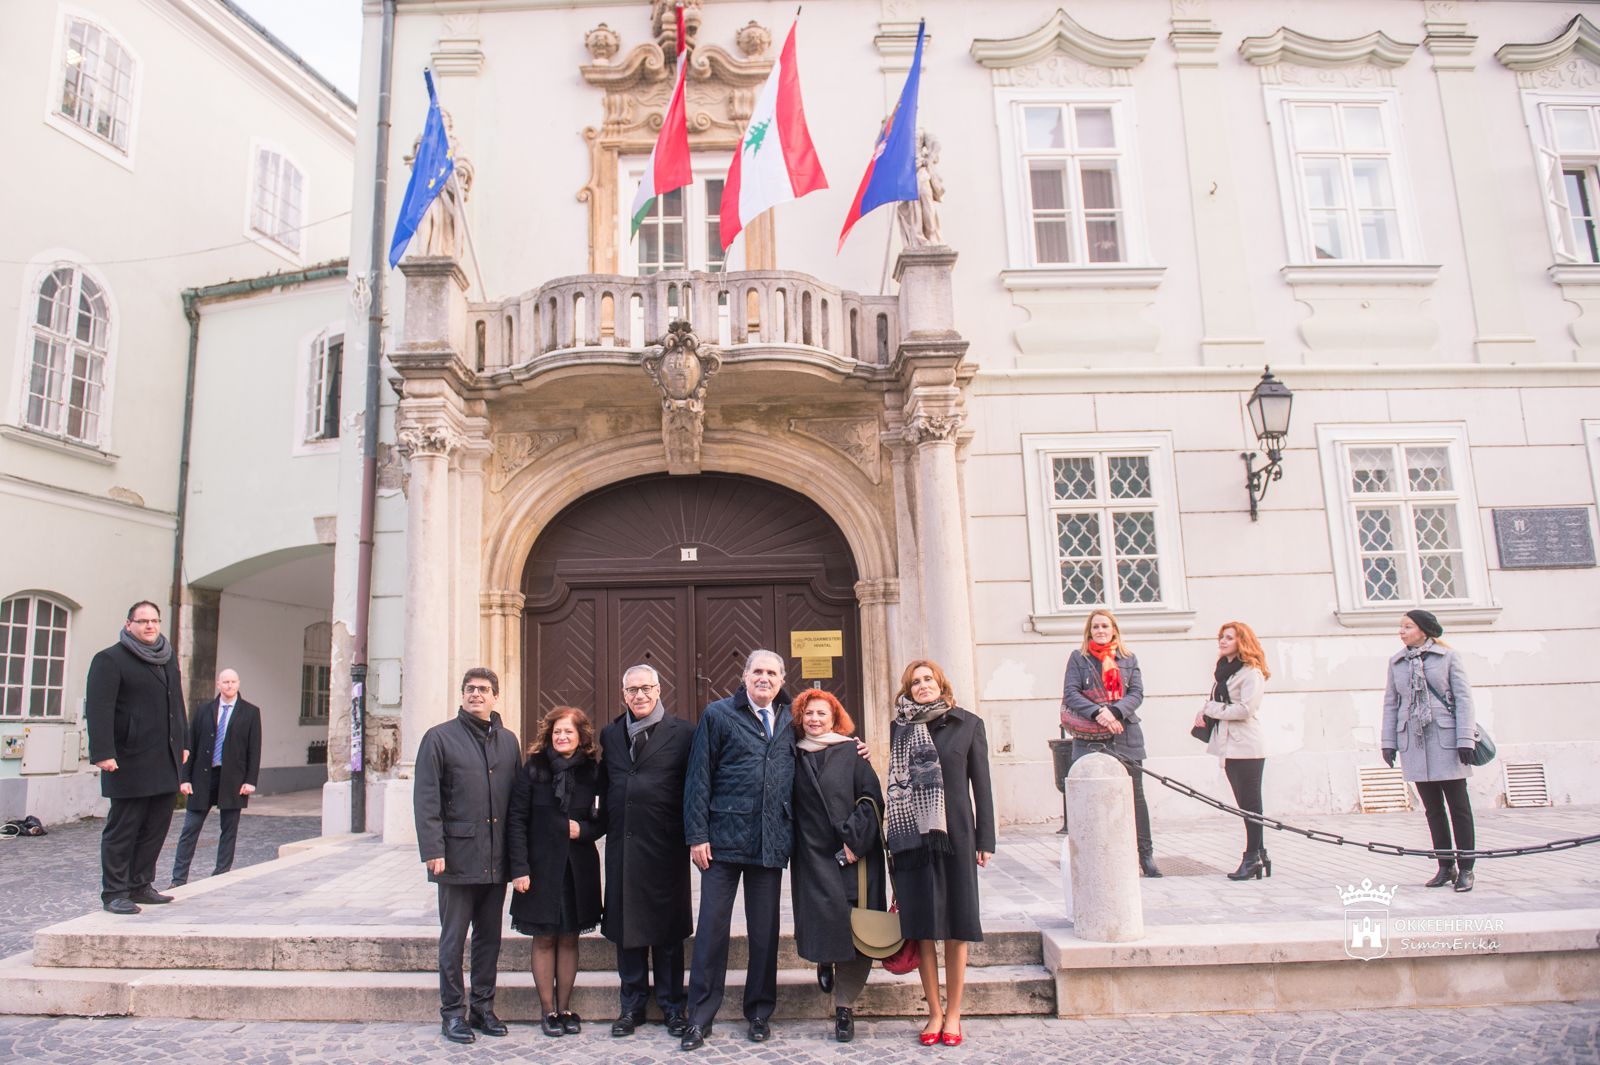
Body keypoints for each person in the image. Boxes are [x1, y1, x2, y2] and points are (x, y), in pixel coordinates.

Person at [679, 649, 795, 1051]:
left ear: (782, 679)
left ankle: (760, 1012)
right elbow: (699, 777)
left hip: (770, 838)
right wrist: (697, 835)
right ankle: (699, 1017)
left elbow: (827, 735)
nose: (764, 678)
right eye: (757, 671)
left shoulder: (793, 719)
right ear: (744, 677)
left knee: (765, 932)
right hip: (722, 840)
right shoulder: (719, 714)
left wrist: (856, 746)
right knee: (712, 930)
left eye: (771, 673)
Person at [888, 659, 994, 1049]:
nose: (922, 686)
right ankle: (933, 1010)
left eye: (927, 679)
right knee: (924, 927)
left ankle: (954, 1013)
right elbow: (894, 784)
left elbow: (981, 786)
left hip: (958, 837)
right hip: (912, 839)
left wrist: (987, 840)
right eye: (915, 682)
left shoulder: (967, 724)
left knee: (956, 924)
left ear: (940, 683)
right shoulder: (900, 728)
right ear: (908, 690)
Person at [413, 667, 522, 1044]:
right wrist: (433, 849)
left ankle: (483, 1007)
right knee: (453, 939)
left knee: (489, 938)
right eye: (470, 689)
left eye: (484, 689)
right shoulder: (439, 738)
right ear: (462, 695)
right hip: (456, 857)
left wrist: (518, 857)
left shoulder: (508, 741)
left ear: (495, 696)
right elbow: (426, 797)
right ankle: (452, 1013)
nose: (476, 694)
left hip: (496, 858)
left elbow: (516, 803)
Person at [597, 664, 693, 1038]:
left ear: (658, 690)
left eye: (646, 688)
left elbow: (697, 784)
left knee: (668, 932)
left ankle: (673, 1006)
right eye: (632, 690)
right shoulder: (610, 734)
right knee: (627, 930)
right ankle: (631, 1005)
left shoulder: (683, 733)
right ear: (623, 694)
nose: (639, 695)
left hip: (665, 845)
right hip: (623, 844)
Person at [787, 688, 885, 1043]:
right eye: (808, 714)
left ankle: (845, 1008)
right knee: (825, 924)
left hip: (853, 854)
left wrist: (855, 842)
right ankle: (823, 959)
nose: (815, 719)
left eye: (822, 714)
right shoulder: (790, 755)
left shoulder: (852, 752)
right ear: (800, 719)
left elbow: (871, 799)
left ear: (834, 719)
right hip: (811, 854)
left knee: (856, 932)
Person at [85, 601, 188, 915]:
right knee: (124, 827)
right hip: (128, 759)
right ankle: (114, 892)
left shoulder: (167, 659)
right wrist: (103, 752)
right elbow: (98, 708)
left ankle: (141, 884)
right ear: (129, 624)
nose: (150, 626)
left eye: (154, 621)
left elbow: (177, 704)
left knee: (156, 825)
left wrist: (182, 742)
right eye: (142, 621)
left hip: (164, 757)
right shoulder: (110, 659)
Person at [509, 705, 604, 1038]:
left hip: (578, 869)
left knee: (569, 938)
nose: (562, 737)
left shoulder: (593, 771)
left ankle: (565, 1008)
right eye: (557, 732)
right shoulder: (533, 769)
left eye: (569, 732)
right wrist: (518, 869)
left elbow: (604, 819)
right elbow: (517, 819)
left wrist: (584, 831)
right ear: (549, 735)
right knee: (545, 938)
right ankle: (547, 1010)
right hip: (539, 868)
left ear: (581, 736)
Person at [1381, 609, 1479, 893]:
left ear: (1423, 630)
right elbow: (1391, 704)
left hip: (1447, 741)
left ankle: (1467, 868)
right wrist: (1388, 742)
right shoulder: (1397, 662)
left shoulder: (1448, 658)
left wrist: (1465, 740)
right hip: (1415, 742)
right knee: (1433, 810)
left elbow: (1464, 700)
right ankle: (1445, 865)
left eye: (1407, 626)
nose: (1401, 632)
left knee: (1459, 808)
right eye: (1400, 627)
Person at [1062, 610, 1160, 878]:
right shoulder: (1079, 658)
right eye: (1095, 626)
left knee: (1135, 795)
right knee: (1090, 796)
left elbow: (1137, 693)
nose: (1100, 630)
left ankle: (1145, 854)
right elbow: (1070, 693)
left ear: (1114, 629)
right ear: (1089, 631)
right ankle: (1095, 855)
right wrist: (1099, 713)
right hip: (1089, 737)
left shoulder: (1128, 659)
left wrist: (1115, 712)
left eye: (1105, 625)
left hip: (1125, 733)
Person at [170, 668, 261, 887]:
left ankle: (221, 874)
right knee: (190, 829)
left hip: (233, 779)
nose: (229, 685)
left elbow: (254, 749)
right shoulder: (204, 710)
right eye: (225, 682)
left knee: (229, 829)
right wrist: (185, 778)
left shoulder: (250, 712)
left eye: (233, 681)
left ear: (238, 684)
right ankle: (178, 878)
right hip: (203, 777)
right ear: (218, 684)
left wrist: (250, 780)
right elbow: (191, 744)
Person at [1194, 622, 1271, 880]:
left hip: (1247, 745)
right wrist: (1204, 710)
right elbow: (1217, 702)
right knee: (1243, 804)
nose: (1223, 641)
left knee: (1250, 804)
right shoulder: (1224, 672)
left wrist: (1211, 710)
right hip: (1228, 745)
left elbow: (1246, 709)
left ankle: (1251, 858)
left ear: (1242, 642)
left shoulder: (1251, 673)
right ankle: (1260, 852)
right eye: (1221, 637)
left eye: (1229, 638)